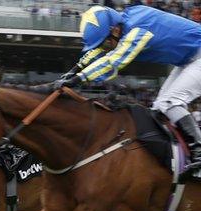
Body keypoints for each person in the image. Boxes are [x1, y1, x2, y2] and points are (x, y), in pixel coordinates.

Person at [54, 5, 201, 170]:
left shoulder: (138, 31)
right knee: (159, 107)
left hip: (197, 56)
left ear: (115, 30)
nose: (105, 46)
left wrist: (78, 79)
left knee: (170, 102)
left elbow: (112, 63)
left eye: (106, 42)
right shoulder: (121, 23)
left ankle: (199, 151)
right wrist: (74, 70)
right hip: (189, 59)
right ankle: (180, 153)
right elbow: (100, 49)